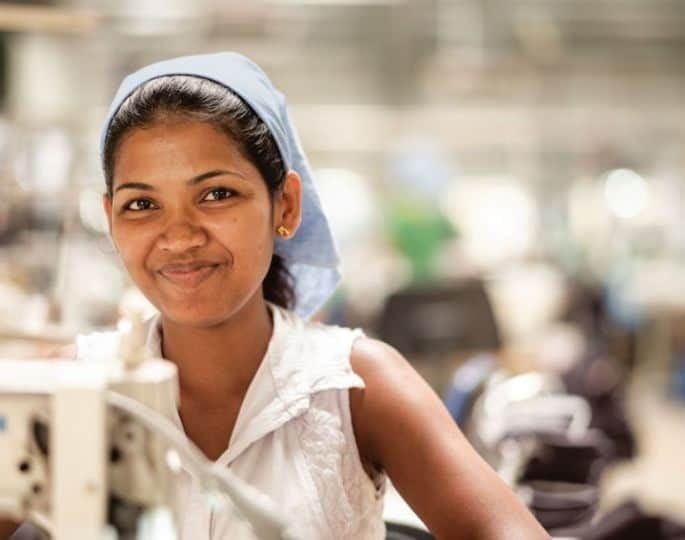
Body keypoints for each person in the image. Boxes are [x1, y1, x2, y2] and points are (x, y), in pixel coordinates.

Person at [1, 52, 548, 540]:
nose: (181, 236)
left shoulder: (355, 389)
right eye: (142, 205)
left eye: (216, 194)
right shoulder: (64, 390)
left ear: (285, 205)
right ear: (110, 220)